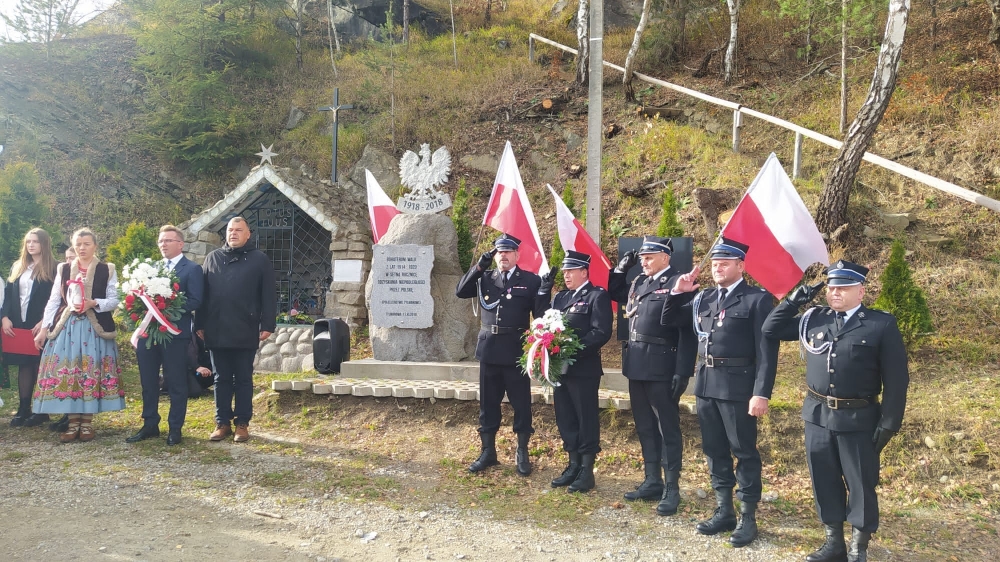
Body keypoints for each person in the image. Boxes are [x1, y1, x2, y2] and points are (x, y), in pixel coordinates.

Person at [762, 261, 909, 562]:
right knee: (824, 479)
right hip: (817, 416)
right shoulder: (815, 319)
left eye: (843, 287)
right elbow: (770, 329)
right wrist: (793, 301)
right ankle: (834, 543)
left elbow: (897, 378)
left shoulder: (879, 324)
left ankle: (858, 548)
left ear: (861, 291)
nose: (835, 292)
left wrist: (890, 422)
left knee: (860, 483)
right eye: (831, 287)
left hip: (858, 418)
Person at [664, 238, 779, 547]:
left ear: (741, 266)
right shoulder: (703, 298)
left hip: (739, 387)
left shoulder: (756, 299)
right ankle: (724, 510)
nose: (718, 268)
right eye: (715, 264)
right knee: (714, 450)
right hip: (707, 384)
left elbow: (766, 352)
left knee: (744, 451)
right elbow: (671, 320)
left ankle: (747, 517)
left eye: (725, 263)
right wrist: (678, 292)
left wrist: (761, 392)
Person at [608, 236, 697, 515]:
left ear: (665, 258)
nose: (644, 262)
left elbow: (687, 332)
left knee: (667, 427)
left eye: (649, 257)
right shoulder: (639, 282)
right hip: (636, 364)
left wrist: (683, 370)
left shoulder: (678, 282)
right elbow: (616, 292)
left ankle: (671, 486)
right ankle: (652, 480)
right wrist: (621, 269)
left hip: (662, 365)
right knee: (645, 424)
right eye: (642, 258)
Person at [456, 233, 546, 476]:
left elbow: (540, 315)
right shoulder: (485, 278)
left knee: (521, 405)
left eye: (507, 251)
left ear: (517, 255)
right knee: (488, 404)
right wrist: (479, 266)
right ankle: (488, 452)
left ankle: (522, 452)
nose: (503, 255)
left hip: (516, 350)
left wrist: (544, 292)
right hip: (489, 351)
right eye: (499, 252)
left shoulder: (530, 280)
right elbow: (461, 291)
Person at [33, 228, 124, 442]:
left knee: (89, 371)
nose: (82, 248)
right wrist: (44, 329)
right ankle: (73, 422)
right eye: (78, 245)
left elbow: (114, 299)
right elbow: (54, 300)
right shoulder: (64, 268)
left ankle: (87, 423)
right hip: (68, 327)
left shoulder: (107, 269)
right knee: (70, 372)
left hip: (94, 328)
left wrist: (94, 303)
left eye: (86, 244)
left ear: (95, 246)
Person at [197, 217, 276, 443]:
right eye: (230, 230)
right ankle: (222, 423)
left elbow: (268, 294)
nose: (233, 233)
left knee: (243, 379)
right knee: (221, 379)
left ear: (248, 234)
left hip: (245, 328)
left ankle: (242, 423)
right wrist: (200, 323)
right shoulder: (213, 258)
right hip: (216, 328)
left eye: (239, 230)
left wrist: (267, 324)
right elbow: (203, 295)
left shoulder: (259, 260)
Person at [541, 250, 613, 493]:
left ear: (584, 272)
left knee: (585, 418)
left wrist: (571, 350)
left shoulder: (596, 296)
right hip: (560, 370)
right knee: (566, 417)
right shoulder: (560, 298)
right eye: (565, 271)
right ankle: (572, 465)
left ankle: (586, 470)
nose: (566, 275)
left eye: (571, 271)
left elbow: (601, 332)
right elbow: (546, 323)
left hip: (583, 369)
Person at [126, 225, 204, 446]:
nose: (163, 244)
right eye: (161, 241)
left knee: (176, 381)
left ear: (180, 244)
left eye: (168, 240)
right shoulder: (151, 268)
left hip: (174, 333)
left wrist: (167, 310)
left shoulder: (192, 269)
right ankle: (150, 423)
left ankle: (175, 428)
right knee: (148, 381)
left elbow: (196, 300)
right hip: (148, 333)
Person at [3, 228, 58, 427]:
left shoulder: (54, 268)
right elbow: (8, 295)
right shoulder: (18, 266)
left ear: (44, 243)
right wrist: (4, 317)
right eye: (28, 242)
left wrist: (44, 321)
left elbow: (57, 298)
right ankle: (24, 408)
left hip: (42, 324)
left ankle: (42, 410)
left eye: (35, 241)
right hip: (19, 323)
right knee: (24, 364)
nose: (31, 245)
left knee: (42, 365)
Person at [48, 245, 77, 433]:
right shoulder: (63, 271)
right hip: (64, 322)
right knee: (64, 369)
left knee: (78, 370)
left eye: (71, 258)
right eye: (66, 258)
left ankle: (77, 417)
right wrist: (47, 326)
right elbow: (54, 300)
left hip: (85, 325)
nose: (69, 261)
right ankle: (67, 413)